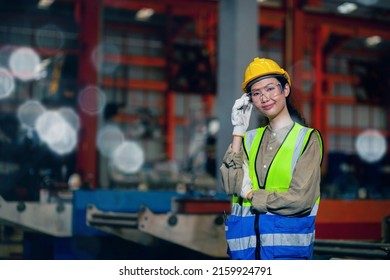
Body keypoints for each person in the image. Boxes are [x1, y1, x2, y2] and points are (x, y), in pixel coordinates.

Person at [220, 57, 323, 260]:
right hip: (245, 257)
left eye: (270, 89)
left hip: (286, 257)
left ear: (285, 90)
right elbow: (230, 183)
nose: (264, 98)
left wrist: (251, 195)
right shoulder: (248, 140)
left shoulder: (307, 139)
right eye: (256, 93)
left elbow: (300, 200)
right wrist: (238, 130)